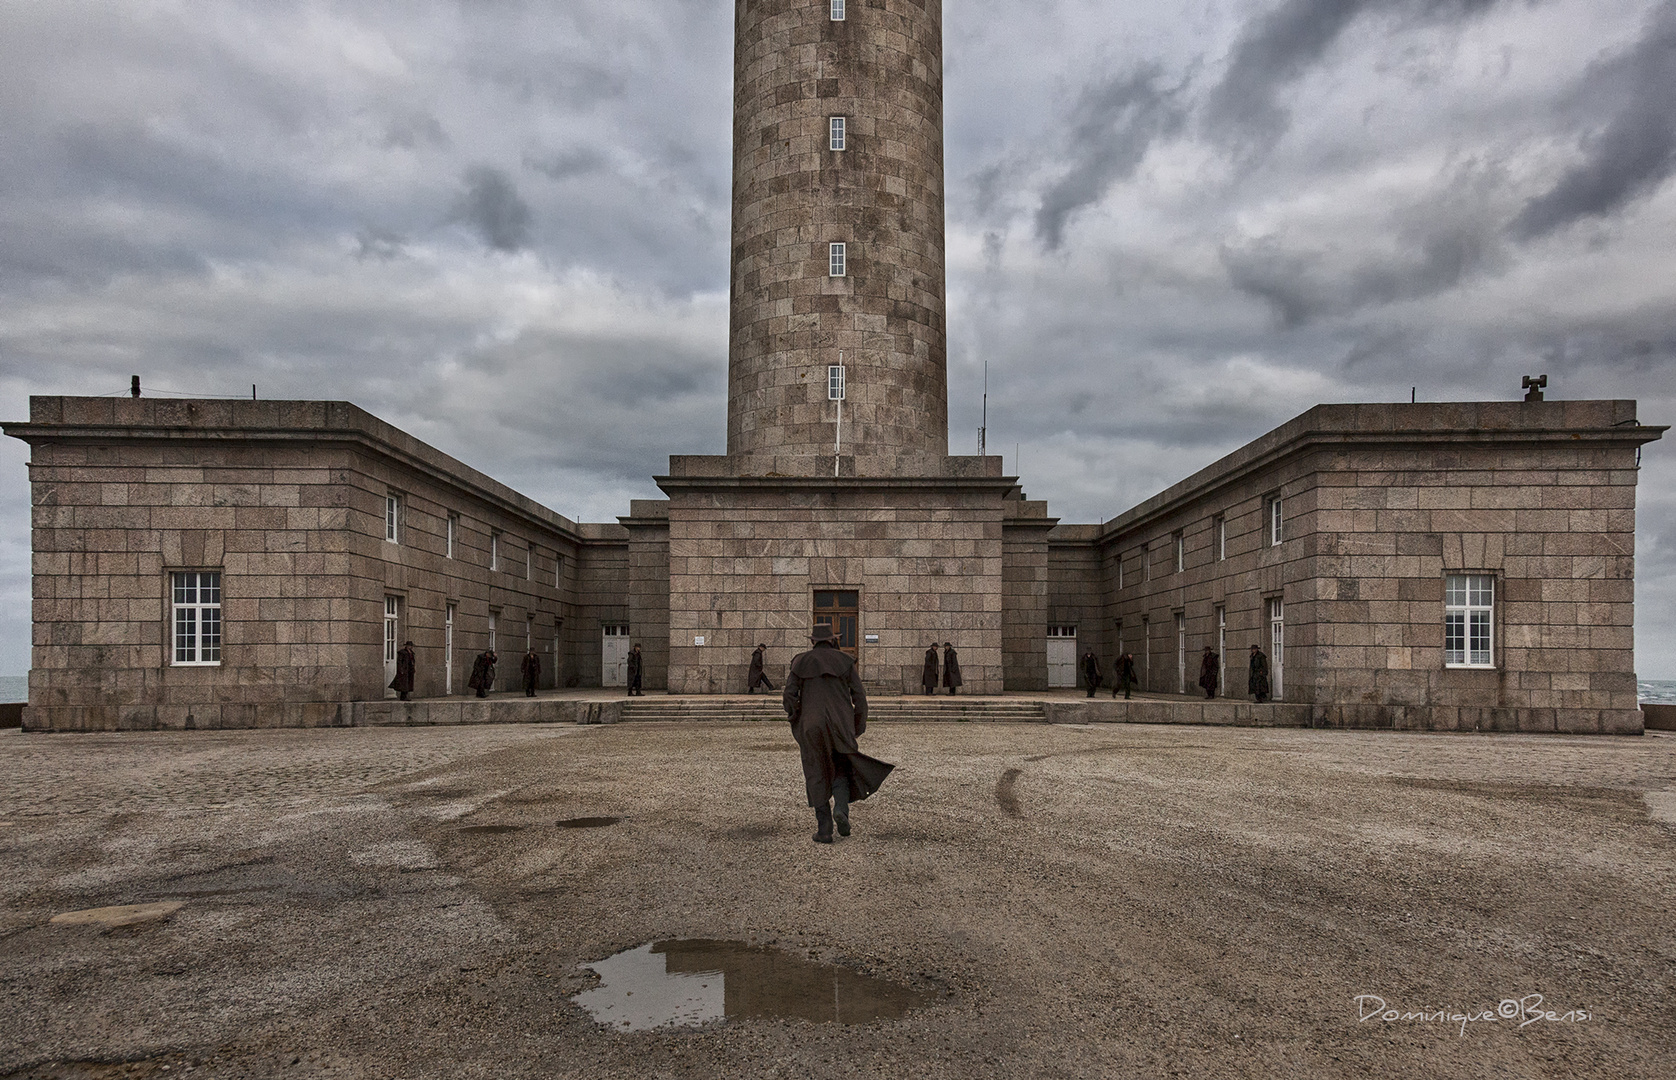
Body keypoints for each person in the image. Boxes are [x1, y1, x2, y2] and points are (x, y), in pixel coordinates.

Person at [783, 627, 893, 844]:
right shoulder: (845, 662)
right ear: (833, 641)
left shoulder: (801, 662)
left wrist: (797, 717)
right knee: (840, 767)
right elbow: (859, 697)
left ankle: (824, 830)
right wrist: (857, 725)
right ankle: (841, 810)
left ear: (813, 641)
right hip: (840, 724)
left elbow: (789, 695)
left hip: (811, 725)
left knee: (815, 770)